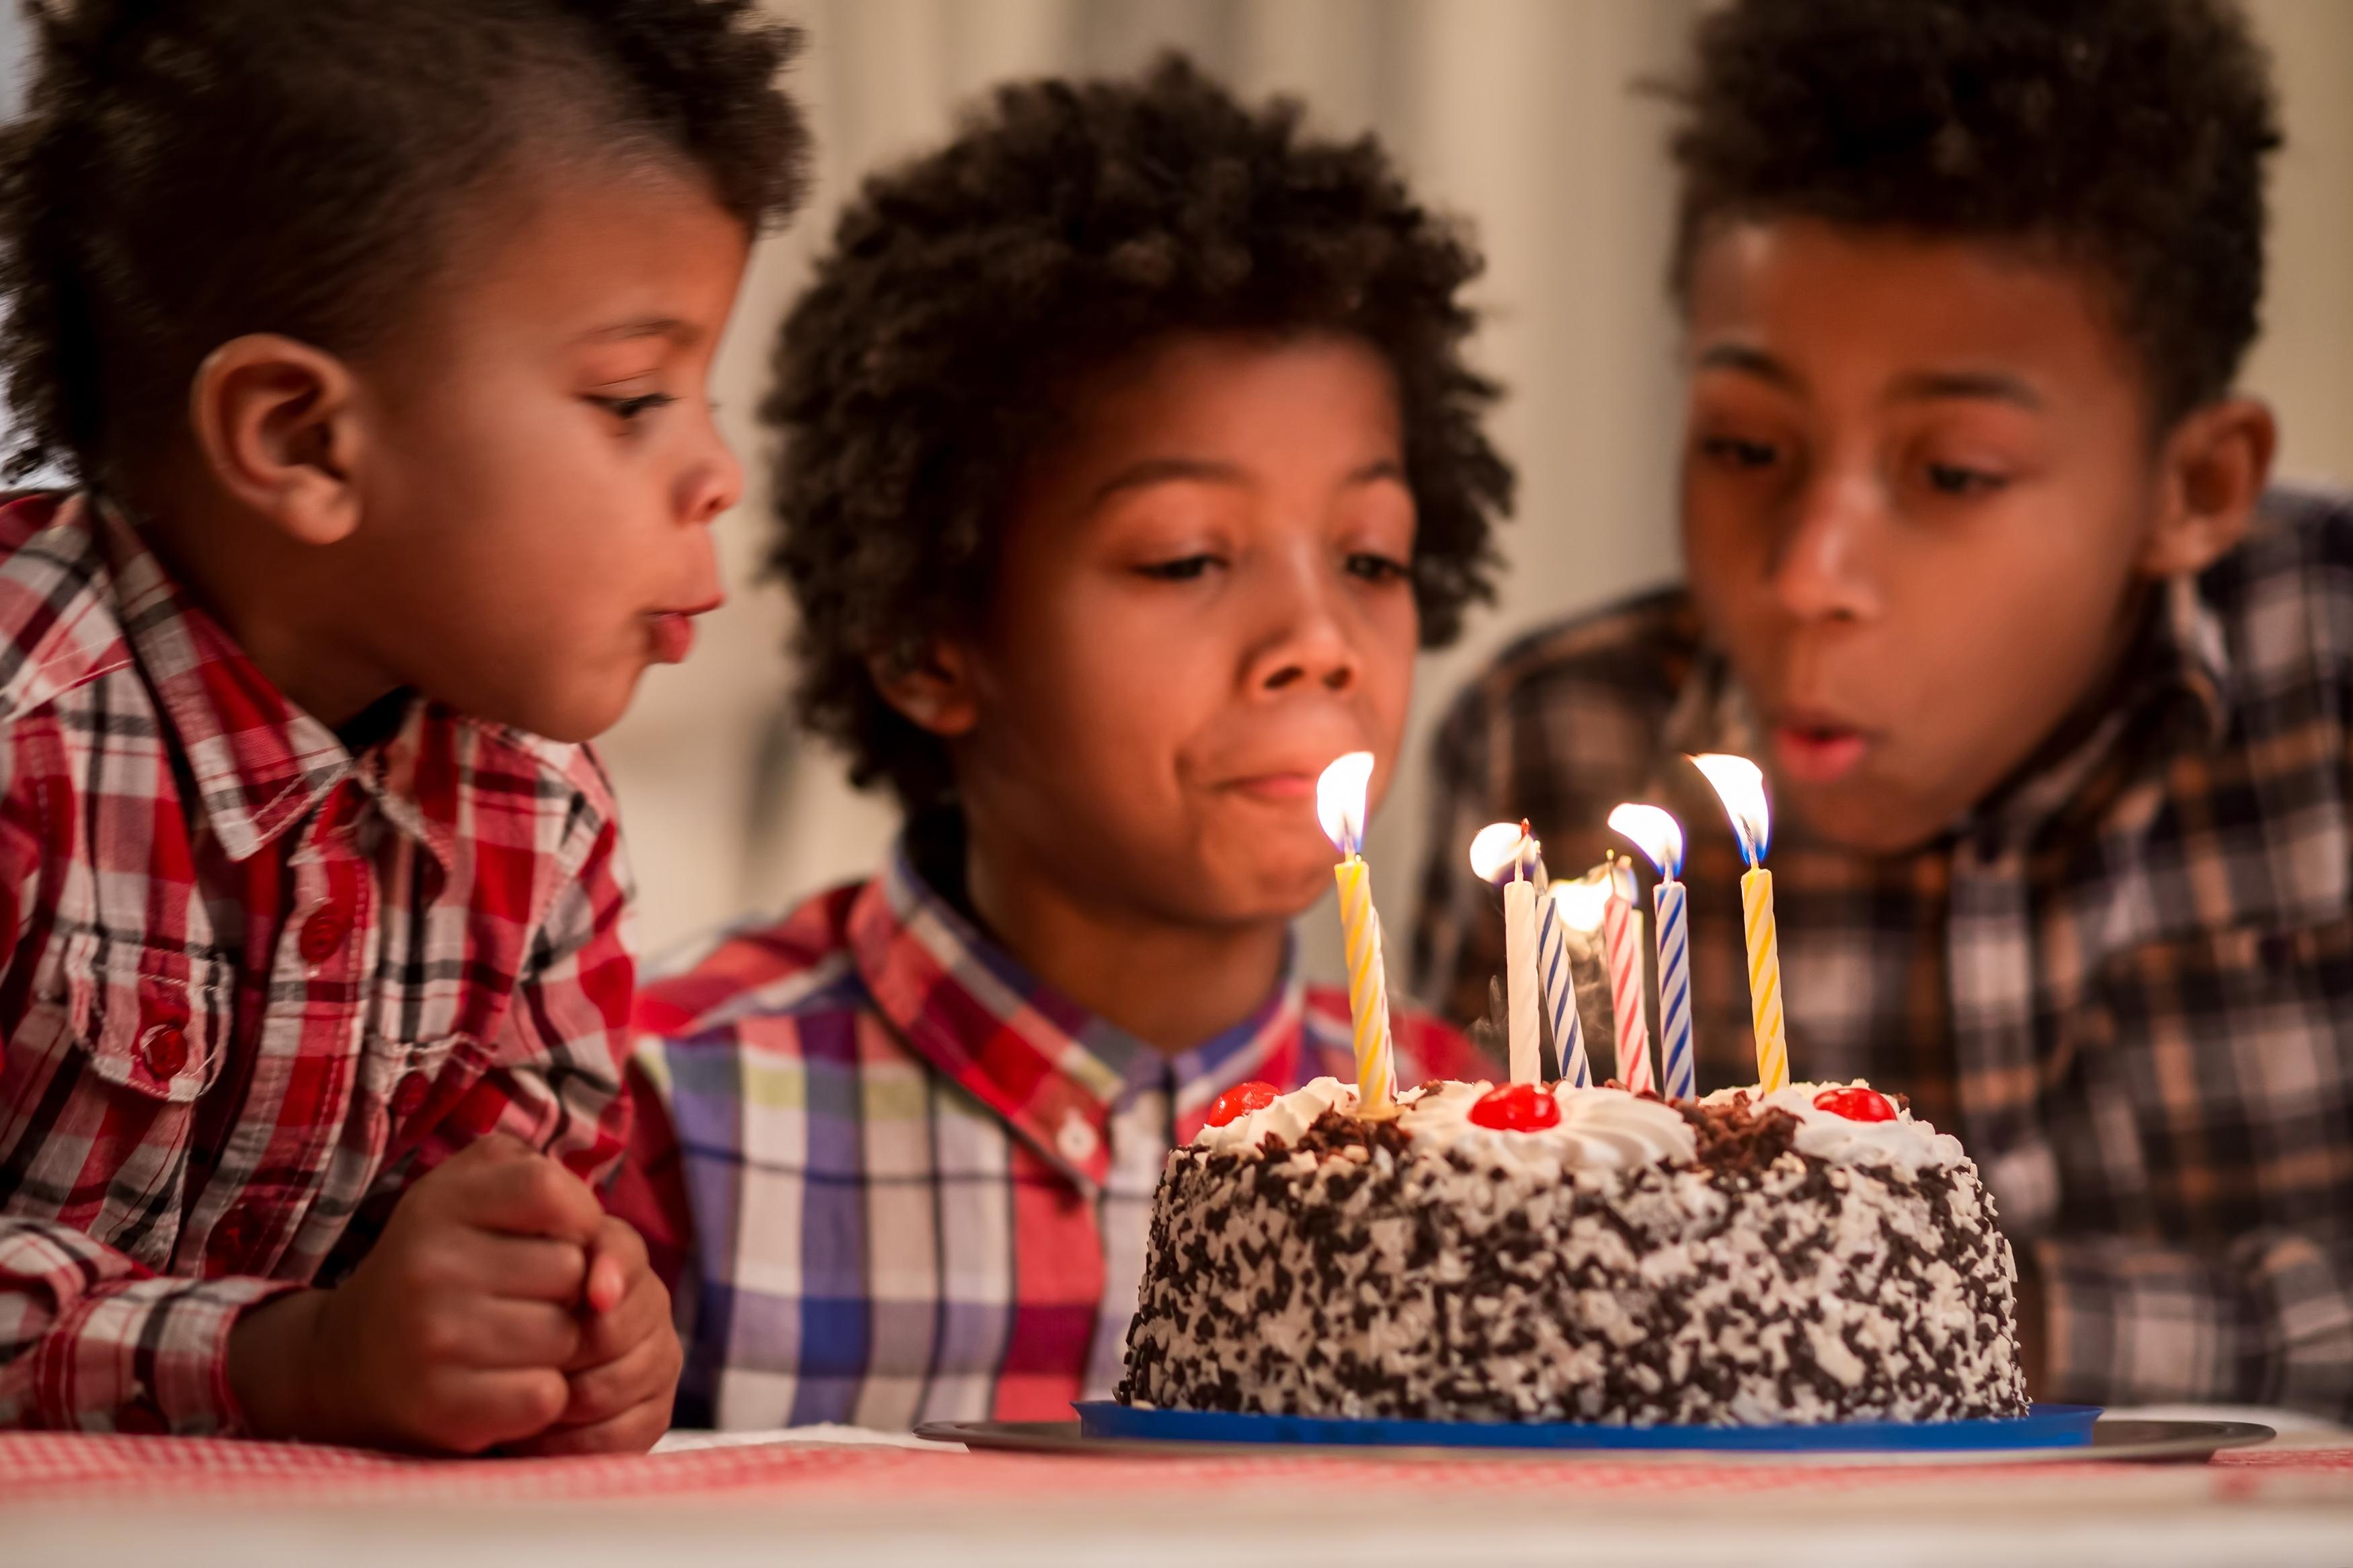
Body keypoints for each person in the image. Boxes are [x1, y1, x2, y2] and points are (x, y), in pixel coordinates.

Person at [1414, 0, 2353, 1417]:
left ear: (2193, 488)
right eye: (1745, 445)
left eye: (1953, 472)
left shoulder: (2327, 682)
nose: (1807, 575)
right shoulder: (1551, 748)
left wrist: (1961, 1311)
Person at [610, 57, 1511, 1430]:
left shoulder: (1497, 1144)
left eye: (1372, 557)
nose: (1319, 638)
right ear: (930, 640)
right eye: (1186, 557)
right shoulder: (667, 1113)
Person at [0, 0, 807, 1452]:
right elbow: (324, 1357)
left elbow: (470, 1279)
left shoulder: (543, 822)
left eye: (704, 395)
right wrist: (280, 1357)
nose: (718, 474)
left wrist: (568, 1333)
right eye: (631, 398)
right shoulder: (22, 734)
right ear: (304, 440)